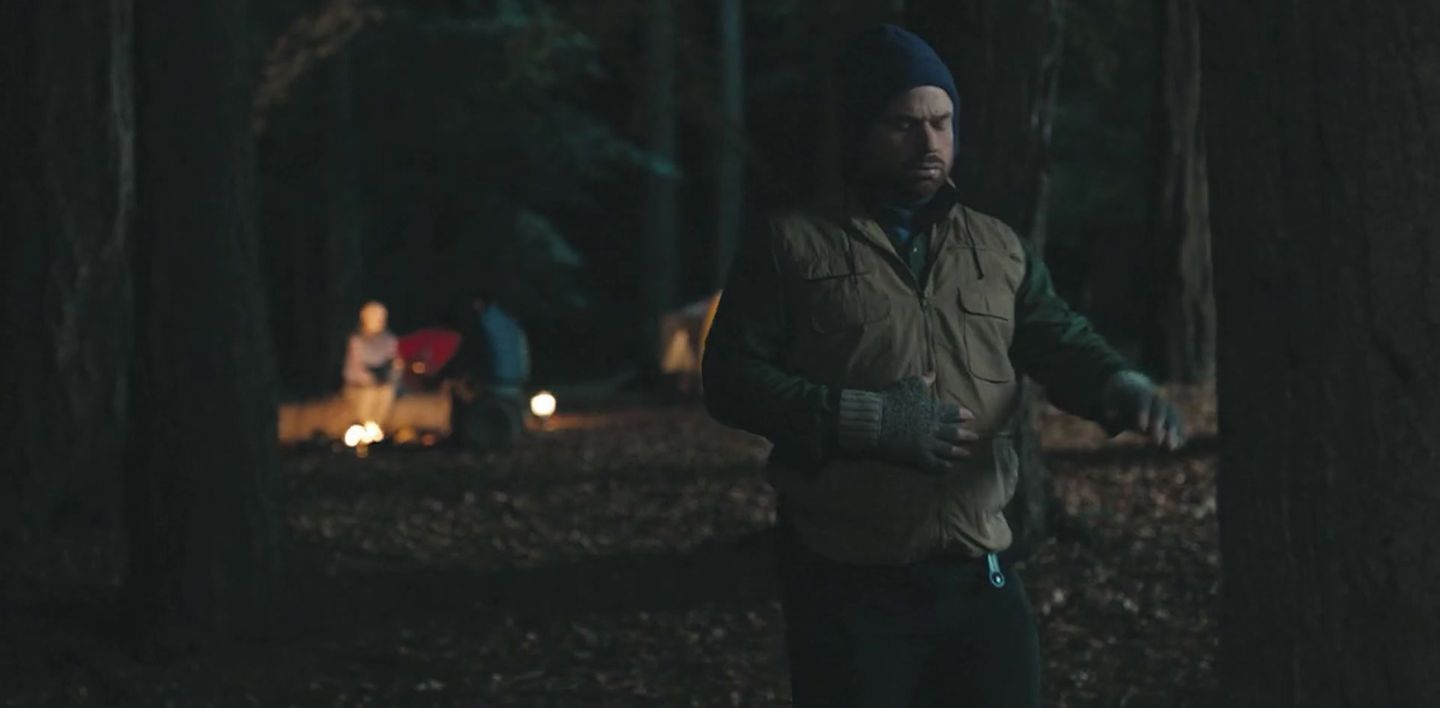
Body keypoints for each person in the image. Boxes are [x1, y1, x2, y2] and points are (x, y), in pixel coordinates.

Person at [701, 25, 1185, 708]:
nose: (929, 143)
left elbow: (1057, 336)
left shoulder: (997, 247)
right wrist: (865, 420)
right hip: (849, 579)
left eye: (942, 122)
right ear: (860, 130)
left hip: (979, 568)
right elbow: (731, 380)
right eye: (903, 124)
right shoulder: (791, 245)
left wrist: (1118, 384)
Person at [448, 294, 530, 450]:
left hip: (496, 382)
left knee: (459, 392)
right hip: (517, 381)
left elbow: (479, 354)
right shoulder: (510, 321)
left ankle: (462, 438)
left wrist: (464, 374)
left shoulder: (484, 323)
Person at [342, 300, 402, 427]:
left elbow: (394, 363)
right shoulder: (357, 340)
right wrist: (370, 380)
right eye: (375, 316)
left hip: (382, 383)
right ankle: (363, 426)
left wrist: (393, 373)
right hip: (359, 386)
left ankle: (375, 428)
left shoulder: (389, 340)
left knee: (387, 392)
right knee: (368, 394)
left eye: (382, 316)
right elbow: (354, 369)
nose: (380, 320)